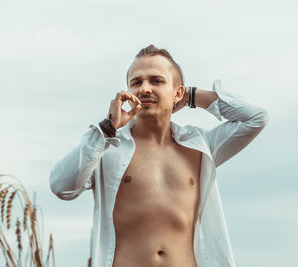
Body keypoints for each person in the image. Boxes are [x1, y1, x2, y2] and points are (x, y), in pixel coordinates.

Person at [49, 44, 270, 267]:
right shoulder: (108, 147)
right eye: (136, 82)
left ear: (178, 92)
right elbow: (61, 186)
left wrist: (193, 96)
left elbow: (256, 117)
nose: (144, 89)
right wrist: (106, 129)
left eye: (156, 80)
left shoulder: (200, 146)